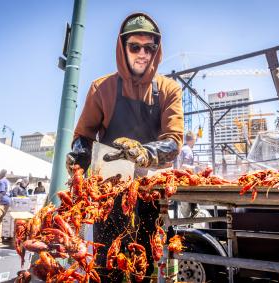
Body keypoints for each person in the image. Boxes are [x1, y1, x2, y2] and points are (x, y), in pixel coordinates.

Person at [66, 13, 184, 283]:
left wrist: (143, 153)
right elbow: (83, 136)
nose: (142, 53)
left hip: (151, 193)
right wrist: (78, 158)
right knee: (107, 266)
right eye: (134, 46)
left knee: (149, 266)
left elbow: (173, 141)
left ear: (157, 50)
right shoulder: (102, 88)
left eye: (149, 47)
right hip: (108, 194)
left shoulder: (169, 89)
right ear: (123, 48)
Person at [174, 131, 199, 218]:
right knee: (186, 205)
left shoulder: (184, 149)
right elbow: (183, 166)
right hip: (185, 179)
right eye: (195, 140)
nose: (195, 141)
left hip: (184, 178)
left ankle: (188, 218)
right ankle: (188, 221)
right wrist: (195, 168)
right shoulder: (187, 150)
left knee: (187, 204)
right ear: (192, 140)